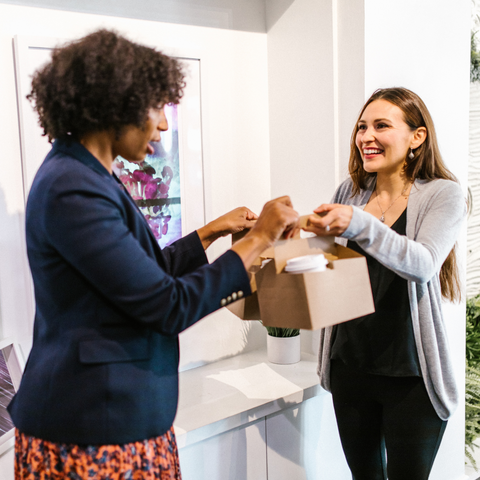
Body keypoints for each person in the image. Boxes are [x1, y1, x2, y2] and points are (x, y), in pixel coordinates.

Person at [8, 29, 299, 479]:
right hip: (91, 428)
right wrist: (257, 239)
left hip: (115, 417)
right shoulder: (72, 186)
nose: (164, 125)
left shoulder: (88, 175)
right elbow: (166, 305)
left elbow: (145, 275)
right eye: (157, 107)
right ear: (116, 103)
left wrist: (212, 232)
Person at [304, 87, 465, 480]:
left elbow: (423, 263)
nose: (366, 137)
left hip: (411, 376)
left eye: (381, 126)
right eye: (362, 127)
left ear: (417, 136)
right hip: (350, 366)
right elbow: (329, 267)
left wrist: (359, 223)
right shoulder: (351, 191)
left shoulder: (444, 194)